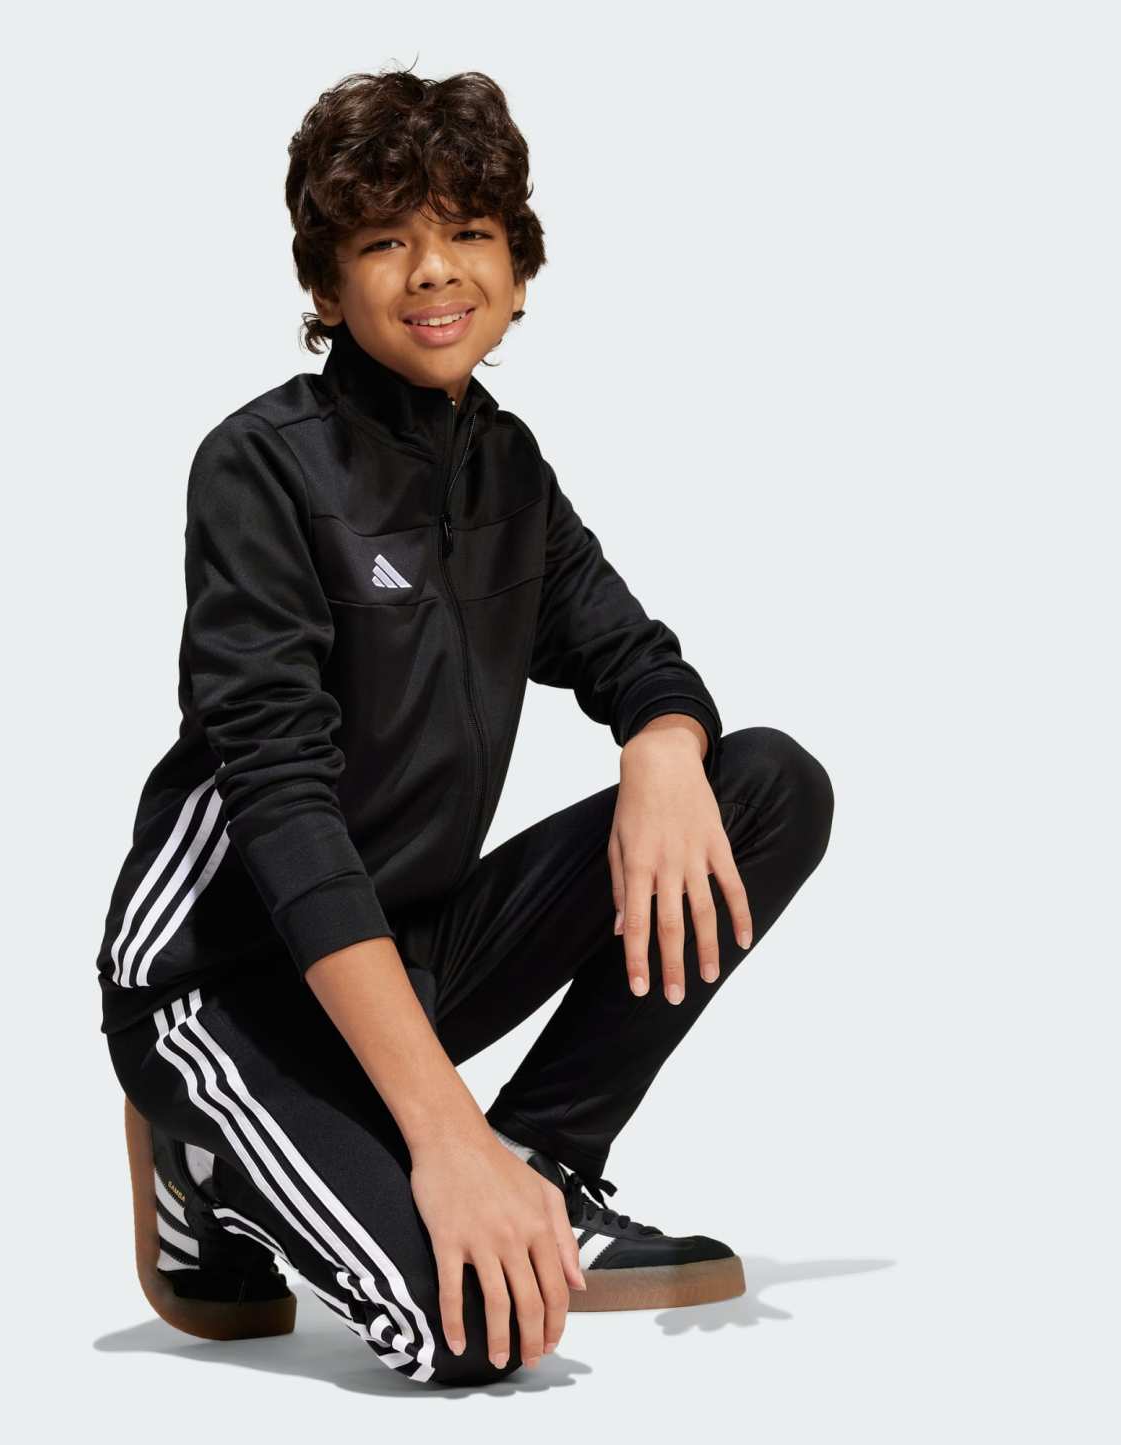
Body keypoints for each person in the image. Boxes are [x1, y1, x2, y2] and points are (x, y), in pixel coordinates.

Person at [95, 65, 834, 1388]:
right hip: (228, 985)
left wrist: (662, 750)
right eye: (386, 240)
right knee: (473, 1326)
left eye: (468, 232)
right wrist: (445, 1139)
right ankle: (204, 1161)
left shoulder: (506, 470)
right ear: (327, 288)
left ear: (517, 268)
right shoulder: (260, 466)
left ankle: (546, 1160)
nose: (434, 269)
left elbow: (633, 657)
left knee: (763, 786)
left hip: (414, 955)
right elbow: (282, 803)